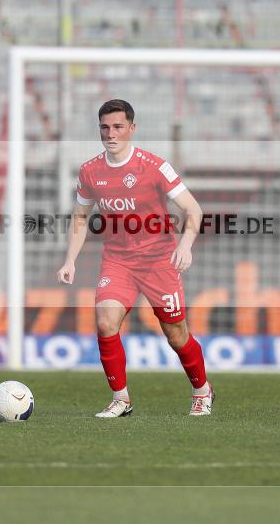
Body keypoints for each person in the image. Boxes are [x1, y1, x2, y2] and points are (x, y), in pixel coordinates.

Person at [57, 99, 213, 417]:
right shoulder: (90, 171)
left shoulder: (154, 166)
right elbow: (80, 218)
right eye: (104, 127)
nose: (110, 133)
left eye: (117, 127)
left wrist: (185, 245)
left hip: (159, 260)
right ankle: (121, 400)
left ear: (132, 128)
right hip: (118, 261)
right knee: (105, 322)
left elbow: (193, 209)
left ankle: (202, 390)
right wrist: (69, 260)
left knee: (176, 334)